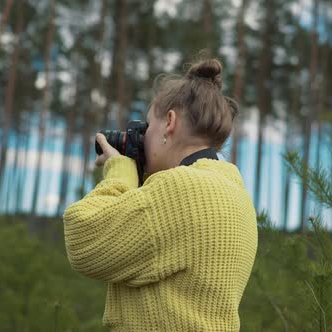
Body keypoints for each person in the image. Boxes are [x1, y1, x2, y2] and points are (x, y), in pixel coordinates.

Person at [63, 58, 258, 331]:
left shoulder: (183, 190)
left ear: (169, 122)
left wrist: (120, 170)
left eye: (147, 127)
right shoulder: (235, 193)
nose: (144, 138)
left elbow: (82, 240)